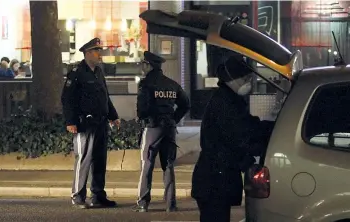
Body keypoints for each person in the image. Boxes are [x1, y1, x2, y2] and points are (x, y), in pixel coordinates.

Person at [191, 54, 275, 222]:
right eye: (245, 78)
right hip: (214, 181)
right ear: (233, 79)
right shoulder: (225, 104)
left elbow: (249, 127)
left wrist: (271, 128)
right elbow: (240, 137)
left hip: (216, 179)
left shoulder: (230, 100)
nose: (248, 83)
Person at [61, 38, 121, 209]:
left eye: (99, 51)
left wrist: (113, 116)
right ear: (87, 53)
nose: (99, 54)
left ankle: (98, 195)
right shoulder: (77, 73)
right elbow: (67, 98)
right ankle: (77, 196)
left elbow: (105, 96)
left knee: (100, 160)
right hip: (84, 123)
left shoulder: (98, 73)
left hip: (100, 122)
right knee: (83, 159)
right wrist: (71, 121)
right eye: (96, 51)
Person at [133, 51, 190, 213]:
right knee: (168, 165)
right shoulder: (172, 84)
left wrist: (143, 118)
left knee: (147, 164)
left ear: (149, 65)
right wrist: (174, 119)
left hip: (152, 127)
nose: (143, 67)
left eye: (144, 64)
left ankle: (143, 203)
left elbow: (142, 109)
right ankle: (170, 204)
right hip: (169, 128)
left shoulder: (145, 84)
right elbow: (185, 104)